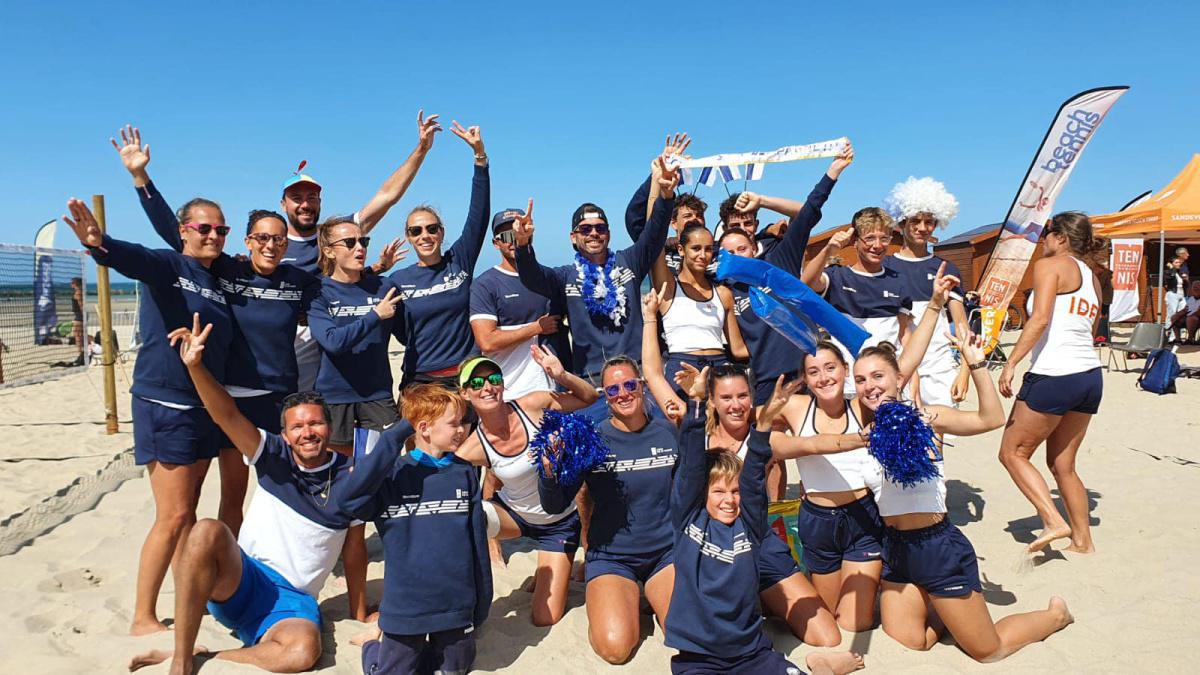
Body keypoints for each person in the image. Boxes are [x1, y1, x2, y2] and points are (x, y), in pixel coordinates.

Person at [112, 114, 440, 391]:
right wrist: (142, 179)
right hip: (279, 342)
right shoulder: (267, 243)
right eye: (296, 197)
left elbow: (387, 196)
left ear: (320, 201)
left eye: (311, 196)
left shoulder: (338, 234)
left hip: (326, 333)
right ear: (283, 204)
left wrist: (421, 150)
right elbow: (181, 235)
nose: (305, 203)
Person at [846, 265, 1074, 661]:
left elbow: (991, 419)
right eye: (862, 380)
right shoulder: (861, 425)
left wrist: (976, 364)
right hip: (896, 548)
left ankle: (1055, 616)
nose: (870, 386)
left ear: (899, 378)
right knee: (912, 640)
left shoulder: (927, 417)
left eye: (878, 376)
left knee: (988, 650)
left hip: (938, 547)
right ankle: (949, 607)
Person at [128, 315, 361, 674]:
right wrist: (195, 367)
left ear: (329, 427)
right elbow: (226, 414)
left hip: (293, 603)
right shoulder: (272, 455)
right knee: (206, 530)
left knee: (301, 654)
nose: (308, 432)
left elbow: (355, 548)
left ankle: (203, 657)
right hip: (243, 578)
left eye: (315, 423)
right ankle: (182, 658)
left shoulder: (350, 476)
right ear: (285, 435)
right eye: (297, 426)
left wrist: (359, 612)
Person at [641, 295, 855, 648]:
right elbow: (651, 373)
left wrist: (865, 437)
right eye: (726, 398)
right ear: (711, 401)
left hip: (757, 541)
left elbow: (818, 444)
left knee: (827, 636)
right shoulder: (695, 427)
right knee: (693, 626)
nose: (736, 405)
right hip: (705, 544)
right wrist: (650, 318)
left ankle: (761, 596)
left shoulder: (767, 438)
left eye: (743, 396)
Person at [63, 198, 234, 636]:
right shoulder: (168, 265)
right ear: (183, 231)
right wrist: (102, 245)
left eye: (221, 229)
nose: (213, 235)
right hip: (165, 403)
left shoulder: (215, 276)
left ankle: (187, 594)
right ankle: (142, 617)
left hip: (201, 404)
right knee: (173, 515)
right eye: (203, 228)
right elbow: (134, 258)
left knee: (189, 511)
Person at [666, 379, 866, 675]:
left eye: (735, 493)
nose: (729, 500)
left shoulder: (750, 526)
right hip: (700, 660)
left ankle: (822, 664)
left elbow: (754, 478)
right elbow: (691, 469)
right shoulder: (689, 522)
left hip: (753, 656)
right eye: (719, 492)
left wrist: (766, 421)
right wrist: (695, 405)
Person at [338, 385, 491, 675]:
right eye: (454, 423)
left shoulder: (465, 472)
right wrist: (395, 435)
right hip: (406, 607)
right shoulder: (393, 475)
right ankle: (373, 646)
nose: (462, 429)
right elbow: (348, 501)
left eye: (463, 422)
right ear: (424, 428)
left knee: (454, 669)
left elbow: (477, 542)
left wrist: (481, 603)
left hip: (454, 604)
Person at [536, 356, 679, 664]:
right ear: (604, 394)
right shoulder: (591, 439)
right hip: (613, 557)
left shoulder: (669, 432)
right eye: (613, 389)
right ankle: (618, 604)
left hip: (666, 554)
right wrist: (549, 473)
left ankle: (650, 600)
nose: (623, 394)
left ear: (641, 387)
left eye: (629, 385)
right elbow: (555, 504)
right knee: (615, 649)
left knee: (685, 634)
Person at [513, 148, 678, 391]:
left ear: (608, 234)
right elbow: (532, 277)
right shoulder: (565, 276)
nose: (593, 233)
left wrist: (665, 195)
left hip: (638, 373)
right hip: (592, 380)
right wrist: (523, 243)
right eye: (585, 229)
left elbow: (654, 234)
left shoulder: (630, 260)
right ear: (573, 237)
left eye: (600, 228)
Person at [454, 351, 598, 625]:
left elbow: (589, 398)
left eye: (493, 379)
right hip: (514, 516)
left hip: (558, 522)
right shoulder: (472, 447)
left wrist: (561, 375)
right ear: (464, 393)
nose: (487, 387)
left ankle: (550, 570)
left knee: (544, 617)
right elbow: (440, 477)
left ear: (503, 384)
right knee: (462, 519)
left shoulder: (531, 405)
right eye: (476, 383)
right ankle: (464, 603)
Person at [998, 212, 1106, 555]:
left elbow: (1041, 318)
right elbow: (1090, 330)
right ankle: (1083, 541)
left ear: (1060, 236)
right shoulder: (1093, 278)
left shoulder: (1050, 265)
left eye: (1047, 234)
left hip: (1054, 373)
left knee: (1012, 452)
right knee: (1063, 465)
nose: (1044, 240)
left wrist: (1011, 362)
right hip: (1089, 374)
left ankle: (1052, 519)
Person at [720, 143, 856, 406]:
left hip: (809, 371)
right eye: (731, 248)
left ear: (754, 234)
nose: (738, 250)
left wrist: (833, 171)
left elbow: (807, 214)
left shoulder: (779, 258)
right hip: (765, 382)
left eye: (747, 225)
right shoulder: (725, 283)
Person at [391, 121, 491, 390]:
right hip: (421, 380)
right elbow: (400, 333)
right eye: (416, 230)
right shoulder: (398, 280)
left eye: (431, 228)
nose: (425, 235)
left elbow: (478, 215)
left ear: (441, 232)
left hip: (465, 374)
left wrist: (479, 157)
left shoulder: (459, 261)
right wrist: (376, 268)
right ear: (409, 236)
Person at [308, 218, 403, 453]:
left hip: (377, 394)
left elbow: (408, 333)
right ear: (329, 251)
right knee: (336, 476)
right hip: (334, 397)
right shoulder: (318, 292)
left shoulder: (384, 287)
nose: (360, 248)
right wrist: (375, 316)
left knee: (378, 471)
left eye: (363, 241)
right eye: (350, 242)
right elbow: (333, 342)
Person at [802, 207, 913, 395]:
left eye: (884, 238)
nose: (877, 245)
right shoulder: (837, 276)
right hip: (847, 386)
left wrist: (913, 380)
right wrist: (828, 250)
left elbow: (905, 336)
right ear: (855, 241)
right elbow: (806, 283)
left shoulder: (900, 281)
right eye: (869, 238)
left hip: (888, 386)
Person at [883, 176, 970, 407]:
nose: (922, 228)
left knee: (938, 436)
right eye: (915, 221)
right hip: (900, 367)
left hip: (940, 367)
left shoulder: (946, 268)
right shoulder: (885, 267)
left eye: (929, 221)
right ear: (901, 222)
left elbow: (961, 324)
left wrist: (965, 372)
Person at [469, 206, 570, 400]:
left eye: (520, 231)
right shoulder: (485, 285)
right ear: (496, 243)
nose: (515, 239)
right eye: (507, 236)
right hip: (510, 390)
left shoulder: (549, 278)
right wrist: (536, 328)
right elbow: (487, 342)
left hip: (555, 389)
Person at [650, 222, 748, 394]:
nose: (703, 255)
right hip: (682, 369)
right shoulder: (669, 288)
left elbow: (738, 349)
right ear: (681, 249)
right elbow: (654, 235)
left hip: (719, 368)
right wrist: (658, 196)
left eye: (708, 249)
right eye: (696, 248)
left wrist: (779, 346)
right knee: (685, 421)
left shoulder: (723, 293)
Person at [1164, 256, 1188, 337]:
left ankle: (1178, 334)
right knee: (1172, 314)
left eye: (1179, 262)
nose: (1178, 264)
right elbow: (1169, 280)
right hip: (1173, 294)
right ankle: (1168, 333)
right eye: (1176, 262)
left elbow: (1185, 284)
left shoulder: (1179, 272)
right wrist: (1171, 268)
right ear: (1171, 264)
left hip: (1181, 294)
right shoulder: (1168, 272)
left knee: (1182, 313)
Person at [69, 276, 86, 366]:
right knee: (80, 336)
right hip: (79, 317)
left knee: (78, 337)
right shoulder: (79, 292)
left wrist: (84, 316)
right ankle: (81, 354)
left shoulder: (78, 292)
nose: (70, 284)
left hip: (79, 317)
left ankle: (81, 355)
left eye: (72, 283)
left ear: (75, 284)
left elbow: (81, 305)